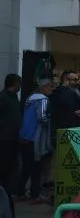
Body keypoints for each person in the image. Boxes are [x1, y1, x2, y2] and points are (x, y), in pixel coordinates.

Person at [16, 79, 53, 203]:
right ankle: (35, 195)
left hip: (24, 135)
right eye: (50, 87)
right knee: (36, 168)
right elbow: (42, 117)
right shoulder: (43, 99)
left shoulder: (30, 98)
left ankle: (20, 192)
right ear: (44, 88)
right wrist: (52, 122)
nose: (51, 90)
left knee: (26, 167)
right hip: (35, 138)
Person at [0, 74, 22, 216]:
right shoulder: (3, 98)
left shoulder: (14, 98)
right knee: (4, 166)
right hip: (4, 139)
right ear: (14, 83)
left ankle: (9, 189)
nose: (20, 87)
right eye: (19, 83)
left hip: (14, 139)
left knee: (13, 166)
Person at [50, 70, 80, 143]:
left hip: (56, 131)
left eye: (78, 79)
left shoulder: (54, 92)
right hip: (69, 132)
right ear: (66, 80)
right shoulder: (71, 94)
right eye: (75, 80)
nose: (78, 82)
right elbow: (74, 113)